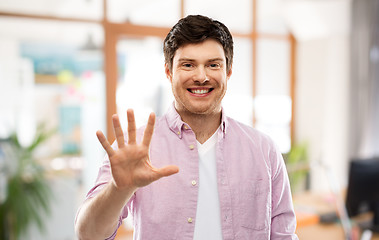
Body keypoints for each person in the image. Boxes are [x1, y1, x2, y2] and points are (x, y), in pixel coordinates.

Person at [75, 15, 298, 240]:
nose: (201, 77)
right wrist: (118, 189)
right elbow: (87, 234)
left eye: (213, 65)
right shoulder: (136, 148)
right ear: (169, 72)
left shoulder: (264, 150)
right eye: (188, 65)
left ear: (228, 71)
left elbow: (284, 235)